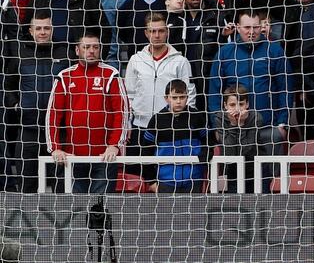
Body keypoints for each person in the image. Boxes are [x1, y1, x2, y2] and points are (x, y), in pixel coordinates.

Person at [45, 31, 129, 193]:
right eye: (87, 47)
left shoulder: (111, 74)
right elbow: (53, 114)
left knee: (100, 209)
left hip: (104, 157)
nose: (91, 51)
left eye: (95, 47)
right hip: (72, 157)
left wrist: (114, 145)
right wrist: (55, 147)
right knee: (76, 208)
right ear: (77, 50)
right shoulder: (65, 76)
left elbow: (122, 113)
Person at [4, 12, 72, 192]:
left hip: (59, 133)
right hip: (28, 131)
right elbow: (8, 86)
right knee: (27, 187)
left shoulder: (65, 53)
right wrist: (16, 106)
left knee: (61, 188)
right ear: (31, 30)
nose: (43, 32)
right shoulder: (20, 53)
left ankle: (62, 220)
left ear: (52, 29)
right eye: (38, 28)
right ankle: (28, 221)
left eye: (47, 28)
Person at [208, 9, 294, 138]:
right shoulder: (225, 53)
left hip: (268, 126)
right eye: (247, 27)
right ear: (237, 27)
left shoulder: (275, 51)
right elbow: (215, 92)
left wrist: (282, 124)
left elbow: (285, 88)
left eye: (256, 27)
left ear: (261, 27)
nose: (252, 32)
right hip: (233, 128)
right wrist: (217, 126)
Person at [124, 12, 196, 133]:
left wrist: (184, 122)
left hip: (171, 125)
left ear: (167, 32)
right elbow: (129, 95)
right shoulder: (135, 60)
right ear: (146, 33)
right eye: (152, 31)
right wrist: (128, 122)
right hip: (140, 126)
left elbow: (190, 94)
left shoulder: (180, 61)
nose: (157, 35)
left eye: (161, 31)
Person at [140, 79, 209, 193]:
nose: (178, 101)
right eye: (174, 98)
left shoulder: (196, 117)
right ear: (166, 98)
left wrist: (203, 160)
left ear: (187, 97)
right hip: (165, 181)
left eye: (182, 97)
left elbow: (208, 141)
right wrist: (151, 181)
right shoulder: (157, 120)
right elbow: (146, 151)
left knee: (194, 211)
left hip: (193, 179)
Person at [212, 84, 284, 191]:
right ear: (225, 105)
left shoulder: (256, 117)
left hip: (257, 170)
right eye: (232, 105)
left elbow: (245, 149)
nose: (237, 109)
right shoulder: (219, 118)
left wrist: (241, 124)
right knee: (236, 206)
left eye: (241, 104)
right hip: (234, 171)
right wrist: (232, 125)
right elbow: (229, 153)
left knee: (260, 205)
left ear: (247, 104)